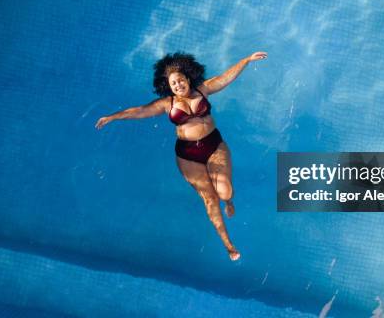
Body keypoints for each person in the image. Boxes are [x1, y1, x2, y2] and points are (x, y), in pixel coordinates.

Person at [96, 51, 267, 260]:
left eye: (180, 80)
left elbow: (226, 78)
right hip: (188, 156)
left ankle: (229, 202)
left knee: (223, 192)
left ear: (187, 78)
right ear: (168, 87)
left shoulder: (203, 90)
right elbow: (139, 111)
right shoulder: (167, 104)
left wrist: (246, 60)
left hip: (214, 146)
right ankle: (228, 244)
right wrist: (112, 117)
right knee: (210, 200)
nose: (177, 85)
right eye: (173, 84)